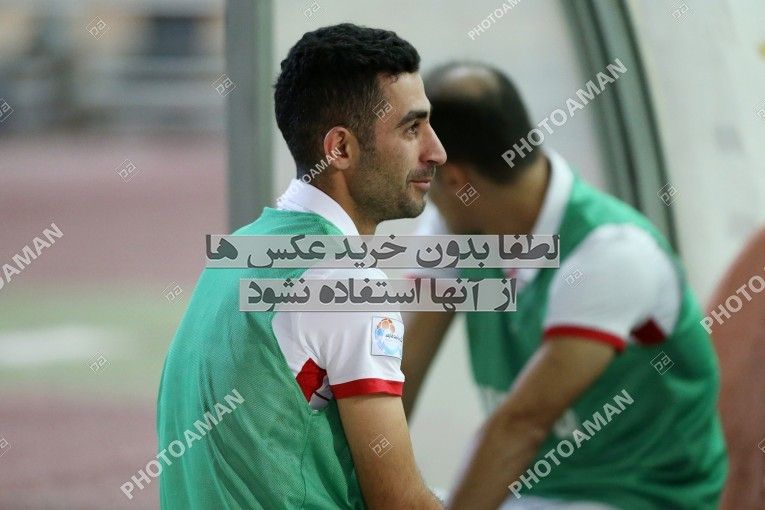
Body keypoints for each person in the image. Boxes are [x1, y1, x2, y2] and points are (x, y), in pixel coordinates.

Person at [402, 62, 727, 510]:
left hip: (639, 497)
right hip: (534, 494)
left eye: (422, 177)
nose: (420, 195)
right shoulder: (455, 230)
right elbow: (401, 372)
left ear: (455, 178)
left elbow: (521, 426)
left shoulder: (611, 251)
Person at [156, 24, 446, 509]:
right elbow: (400, 503)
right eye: (412, 128)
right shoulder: (348, 281)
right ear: (340, 149)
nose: (436, 151)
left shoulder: (238, 250)